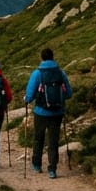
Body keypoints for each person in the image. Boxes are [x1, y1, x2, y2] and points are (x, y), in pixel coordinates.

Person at [24, 47, 72, 179]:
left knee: (38, 138)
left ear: (41, 58)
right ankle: (52, 169)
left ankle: (37, 164)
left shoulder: (37, 73)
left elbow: (30, 93)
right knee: (53, 141)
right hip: (57, 113)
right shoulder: (60, 73)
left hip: (40, 112)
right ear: (53, 57)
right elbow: (68, 93)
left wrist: (27, 100)